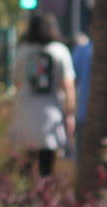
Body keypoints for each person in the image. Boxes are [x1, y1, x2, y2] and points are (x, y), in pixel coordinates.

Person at [10, 12, 76, 178]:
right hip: (50, 111)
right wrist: (70, 114)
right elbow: (68, 85)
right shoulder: (60, 51)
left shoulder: (23, 51)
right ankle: (45, 194)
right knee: (47, 161)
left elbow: (16, 83)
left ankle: (25, 193)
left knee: (26, 158)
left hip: (26, 109)